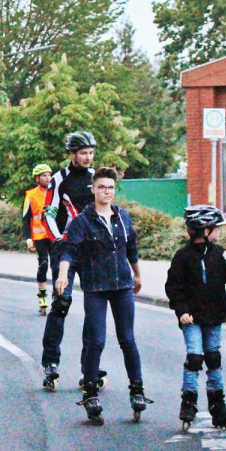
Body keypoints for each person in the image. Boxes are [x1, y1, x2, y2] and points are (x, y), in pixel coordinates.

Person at [55, 167, 146, 425]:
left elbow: (131, 248)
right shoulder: (82, 221)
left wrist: (137, 275)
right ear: (93, 189)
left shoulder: (123, 217)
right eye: (102, 187)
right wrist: (63, 274)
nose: (107, 191)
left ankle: (137, 389)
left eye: (111, 187)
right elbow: (70, 250)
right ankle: (91, 392)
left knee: (127, 339)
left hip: (122, 286)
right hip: (95, 286)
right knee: (96, 341)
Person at [165, 205, 226, 430]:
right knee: (195, 357)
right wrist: (181, 311)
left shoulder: (221, 255)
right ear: (205, 230)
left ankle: (217, 404)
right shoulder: (182, 257)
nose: (219, 232)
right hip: (192, 318)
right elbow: (173, 287)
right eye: (216, 228)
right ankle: (188, 401)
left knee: (213, 357)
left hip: (214, 316)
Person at [41, 131, 97, 392]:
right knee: (62, 301)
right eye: (83, 153)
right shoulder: (58, 179)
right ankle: (51, 362)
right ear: (72, 154)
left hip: (92, 250)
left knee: (94, 304)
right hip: (66, 248)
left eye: (91, 153)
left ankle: (90, 365)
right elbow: (49, 212)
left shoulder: (96, 177)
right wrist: (58, 240)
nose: (88, 157)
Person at [23, 163, 55, 315]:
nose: (47, 178)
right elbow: (26, 219)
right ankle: (42, 298)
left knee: (57, 266)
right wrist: (28, 239)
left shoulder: (55, 192)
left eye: (49, 175)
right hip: (39, 237)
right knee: (43, 265)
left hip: (54, 236)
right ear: (37, 178)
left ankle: (58, 297)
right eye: (44, 176)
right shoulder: (30, 195)